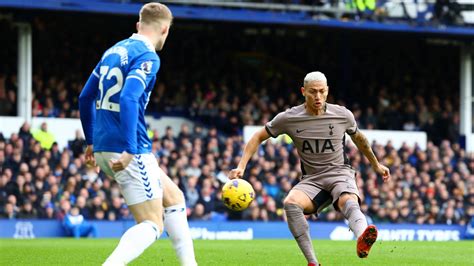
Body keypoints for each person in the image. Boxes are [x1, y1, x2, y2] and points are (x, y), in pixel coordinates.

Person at [229, 71, 391, 266]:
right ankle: (313, 263)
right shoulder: (289, 118)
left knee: (347, 199)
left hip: (340, 173)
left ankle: (362, 237)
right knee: (290, 203)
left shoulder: (342, 115)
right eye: (313, 92)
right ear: (303, 91)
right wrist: (241, 166)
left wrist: (376, 164)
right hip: (312, 180)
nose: (318, 97)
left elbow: (360, 139)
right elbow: (257, 137)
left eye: (322, 91)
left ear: (328, 91)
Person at [78, 3, 197, 265]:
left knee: (174, 197)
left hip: (104, 145)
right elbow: (129, 97)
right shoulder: (148, 56)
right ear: (165, 29)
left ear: (137, 25)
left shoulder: (113, 51)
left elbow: (85, 97)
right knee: (152, 223)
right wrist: (131, 149)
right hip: (129, 148)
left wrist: (90, 142)